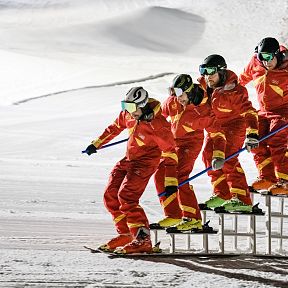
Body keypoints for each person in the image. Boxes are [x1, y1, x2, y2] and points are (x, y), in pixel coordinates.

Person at [83, 87, 178, 254]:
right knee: (110, 195)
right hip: (129, 159)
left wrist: (170, 181)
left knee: (127, 197)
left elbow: (170, 153)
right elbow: (114, 127)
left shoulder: (158, 124)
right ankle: (126, 233)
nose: (128, 111)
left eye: (132, 108)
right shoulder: (129, 113)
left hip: (145, 163)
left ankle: (143, 240)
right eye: (125, 106)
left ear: (143, 105)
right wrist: (96, 143)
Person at [153, 74, 226, 231]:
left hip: (190, 144)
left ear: (190, 91)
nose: (178, 99)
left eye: (181, 95)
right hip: (172, 144)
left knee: (180, 176)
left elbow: (218, 134)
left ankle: (193, 218)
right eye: (175, 94)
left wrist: (218, 154)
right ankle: (173, 214)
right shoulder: (173, 101)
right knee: (160, 173)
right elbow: (159, 116)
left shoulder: (203, 111)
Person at [198, 54, 259, 212]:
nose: (207, 77)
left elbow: (250, 112)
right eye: (204, 72)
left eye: (211, 73)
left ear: (222, 72)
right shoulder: (204, 87)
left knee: (228, 158)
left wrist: (252, 134)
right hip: (215, 128)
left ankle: (242, 198)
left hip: (234, 126)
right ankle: (222, 193)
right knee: (207, 156)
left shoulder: (235, 91)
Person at [239, 37, 288, 195]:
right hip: (264, 112)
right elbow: (241, 80)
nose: (266, 62)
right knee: (255, 138)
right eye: (262, 57)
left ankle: (285, 180)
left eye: (269, 57)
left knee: (276, 138)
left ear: (277, 54)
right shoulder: (256, 63)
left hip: (284, 112)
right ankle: (267, 177)